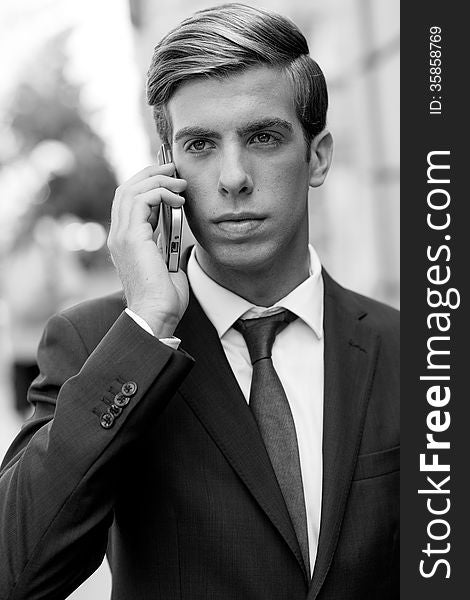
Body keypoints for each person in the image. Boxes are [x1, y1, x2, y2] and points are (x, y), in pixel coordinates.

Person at [0, 4, 399, 599]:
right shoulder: (99, 345)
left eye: (263, 137)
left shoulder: (412, 348)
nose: (233, 177)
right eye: (201, 144)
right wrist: (146, 329)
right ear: (167, 170)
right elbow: (16, 574)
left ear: (317, 157)